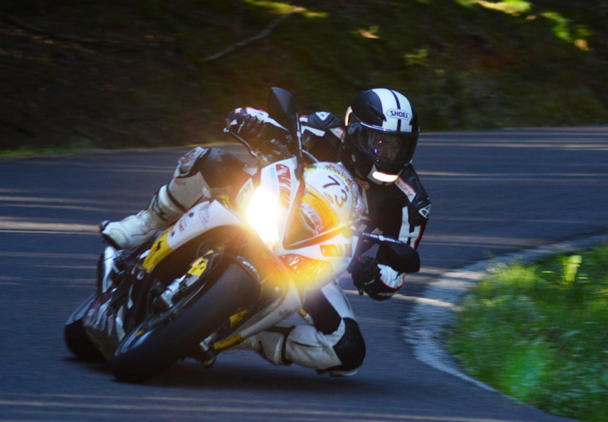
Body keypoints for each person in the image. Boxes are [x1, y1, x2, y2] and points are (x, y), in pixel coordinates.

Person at [101, 88, 431, 376]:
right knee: (210, 159)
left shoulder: (410, 200)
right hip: (274, 205)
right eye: (380, 143)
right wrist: (248, 120)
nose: (389, 155)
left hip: (319, 260)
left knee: (347, 350)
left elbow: (395, 273)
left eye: (398, 148)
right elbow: (278, 125)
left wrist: (375, 274)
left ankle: (249, 335)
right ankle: (144, 225)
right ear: (356, 131)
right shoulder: (325, 128)